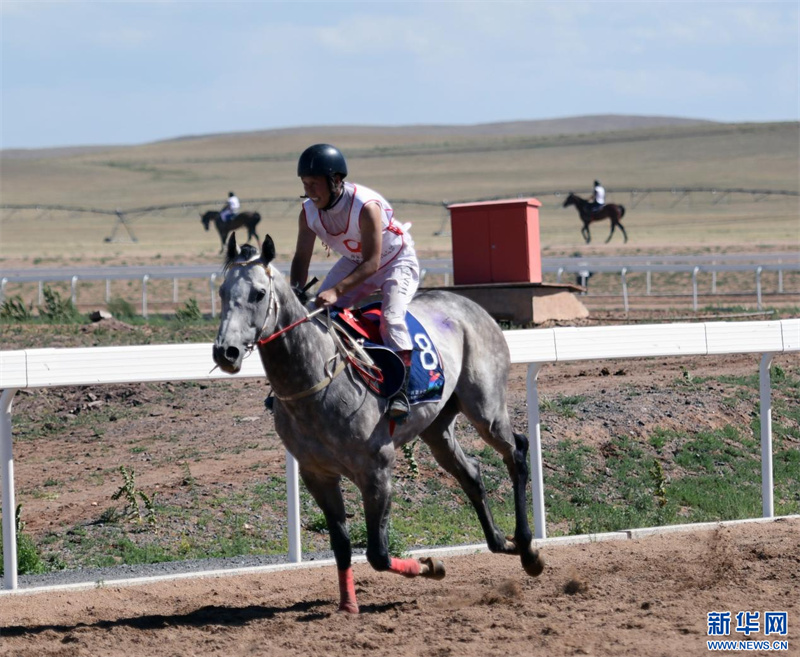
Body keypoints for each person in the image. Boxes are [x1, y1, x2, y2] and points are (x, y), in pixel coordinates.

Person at [291, 143, 419, 422]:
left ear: (336, 181)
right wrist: (296, 294)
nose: (309, 190)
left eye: (315, 183)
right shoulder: (308, 212)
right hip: (355, 260)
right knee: (316, 311)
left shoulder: (365, 206)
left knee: (392, 318)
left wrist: (336, 291)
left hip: (395, 260)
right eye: (305, 183)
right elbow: (301, 258)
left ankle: (401, 392)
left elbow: (372, 263)